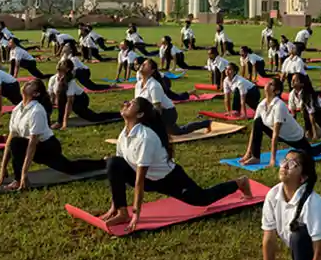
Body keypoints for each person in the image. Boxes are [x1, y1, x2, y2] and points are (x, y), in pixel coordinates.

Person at [97, 97, 253, 231]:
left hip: (170, 179)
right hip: (149, 180)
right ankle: (122, 212)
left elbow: (139, 180)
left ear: (139, 114)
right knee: (113, 163)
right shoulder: (124, 134)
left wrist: (137, 214)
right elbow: (118, 171)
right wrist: (115, 205)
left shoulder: (145, 137)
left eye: (130, 104)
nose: (125, 104)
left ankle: (240, 183)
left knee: (202, 199)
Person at [0, 79, 107, 191]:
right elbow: (10, 138)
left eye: (30, 84)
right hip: (33, 145)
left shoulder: (36, 111)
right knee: (15, 142)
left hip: (48, 147)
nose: (26, 83)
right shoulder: (17, 109)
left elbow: (32, 144)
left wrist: (24, 174)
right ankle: (17, 179)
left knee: (70, 168)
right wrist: (2, 168)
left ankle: (103, 163)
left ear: (36, 94)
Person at [241, 80, 321, 167]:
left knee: (310, 152)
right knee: (257, 122)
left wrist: (273, 159)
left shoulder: (279, 106)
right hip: (278, 133)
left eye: (271, 84)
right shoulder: (262, 104)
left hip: (293, 136)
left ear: (277, 91)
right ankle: (255, 157)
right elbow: (254, 130)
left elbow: (275, 135)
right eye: (268, 83)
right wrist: (247, 153)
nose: (267, 84)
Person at [136, 60, 211, 137]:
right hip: (153, 112)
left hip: (167, 113)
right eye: (142, 63)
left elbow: (158, 109)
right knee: (177, 131)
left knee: (178, 131)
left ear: (152, 71)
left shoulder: (154, 86)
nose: (142, 65)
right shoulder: (138, 84)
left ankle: (206, 123)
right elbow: (138, 103)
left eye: (145, 64)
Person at [49, 59, 121, 128]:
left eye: (60, 70)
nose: (58, 72)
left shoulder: (71, 82)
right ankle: (59, 121)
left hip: (81, 99)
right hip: (69, 99)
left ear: (67, 70)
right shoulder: (52, 79)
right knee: (58, 100)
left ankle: (119, 114)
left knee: (95, 118)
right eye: (58, 70)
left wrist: (64, 123)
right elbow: (51, 96)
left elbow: (69, 103)